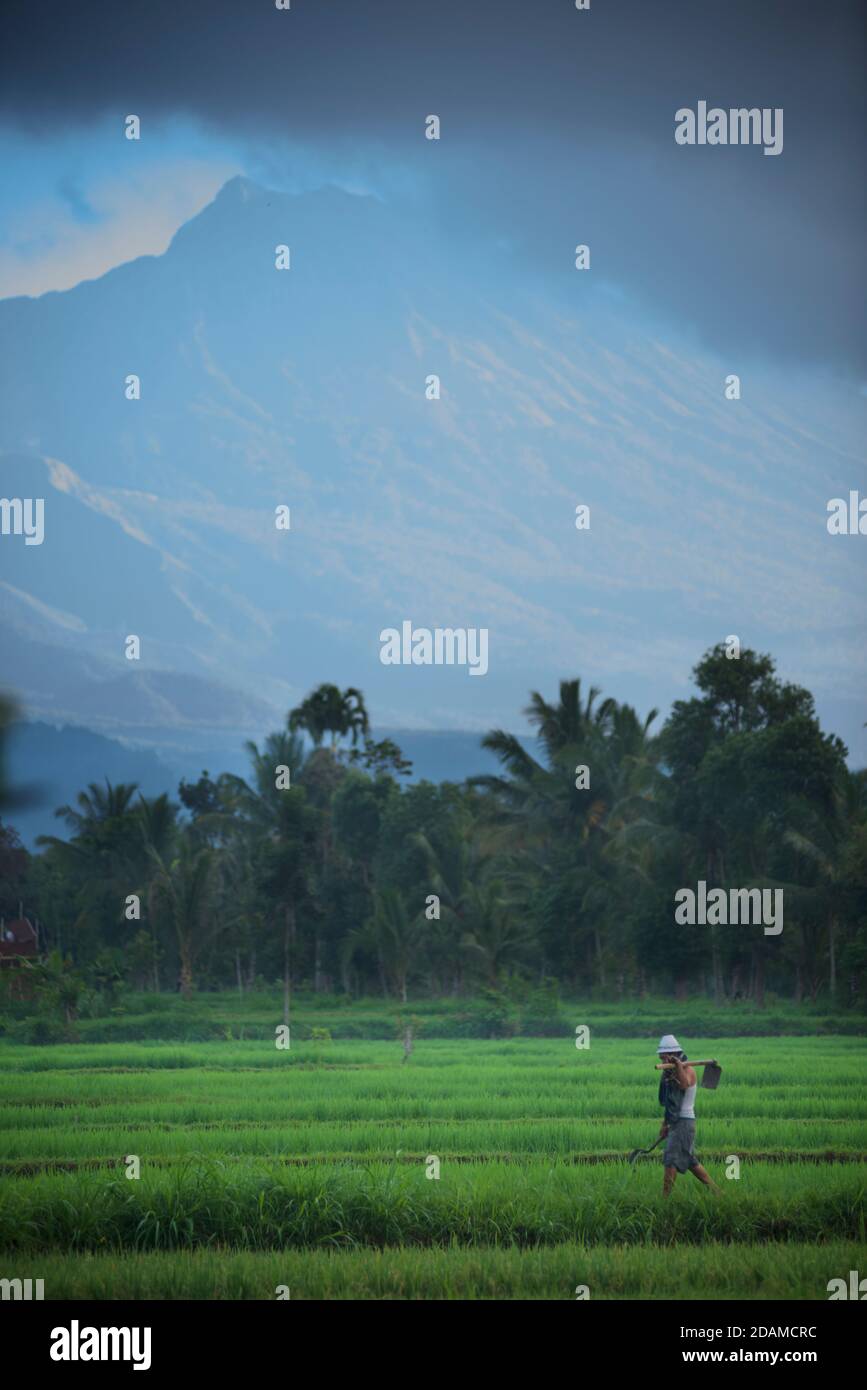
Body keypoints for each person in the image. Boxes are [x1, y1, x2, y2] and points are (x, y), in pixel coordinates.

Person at [656, 1033, 720, 1197]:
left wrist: (678, 1066)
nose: (663, 1061)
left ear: (674, 1055)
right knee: (690, 1161)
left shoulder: (689, 1070)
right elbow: (671, 1103)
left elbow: (684, 1085)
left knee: (670, 1160)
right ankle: (718, 1193)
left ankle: (664, 1200)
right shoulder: (669, 1074)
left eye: (665, 1058)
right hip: (676, 1121)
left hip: (684, 1122)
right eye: (661, 1058)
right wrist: (665, 1125)